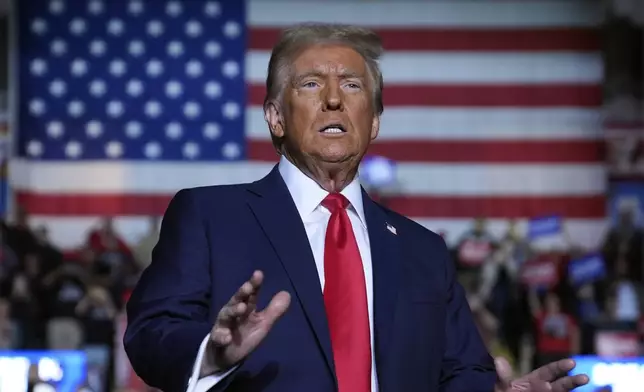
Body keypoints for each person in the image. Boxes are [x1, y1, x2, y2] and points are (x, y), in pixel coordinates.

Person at [124, 24, 589, 392]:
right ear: (275, 117)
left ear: (374, 122)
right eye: (311, 83)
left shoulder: (424, 250)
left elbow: (459, 371)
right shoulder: (208, 216)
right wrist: (212, 354)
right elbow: (150, 334)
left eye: (351, 85)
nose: (333, 99)